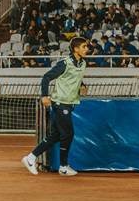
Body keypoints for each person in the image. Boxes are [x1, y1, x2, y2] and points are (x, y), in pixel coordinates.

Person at [21, 37, 89, 177]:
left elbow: (77, 78)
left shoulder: (82, 63)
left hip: (70, 103)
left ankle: (31, 158)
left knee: (56, 135)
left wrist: (82, 86)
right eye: (84, 47)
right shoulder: (65, 63)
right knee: (68, 134)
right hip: (60, 103)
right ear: (76, 49)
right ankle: (63, 167)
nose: (86, 49)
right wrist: (44, 96)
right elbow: (46, 77)